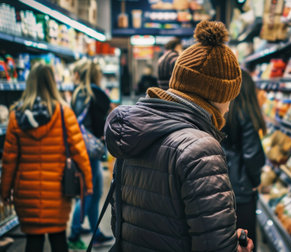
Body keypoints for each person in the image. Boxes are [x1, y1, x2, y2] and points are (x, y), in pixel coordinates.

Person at [104, 21, 254, 251]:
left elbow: (120, 225)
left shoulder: (134, 132)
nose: (229, 108)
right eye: (229, 98)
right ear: (216, 95)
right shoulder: (200, 148)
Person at [1, 63, 93, 252]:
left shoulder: (15, 115)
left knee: (33, 242)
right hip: (58, 191)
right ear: (52, 82)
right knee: (59, 240)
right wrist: (88, 184)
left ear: (30, 83)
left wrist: (4, 192)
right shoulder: (63, 113)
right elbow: (79, 152)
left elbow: (9, 160)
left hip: (25, 193)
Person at [68, 60, 112, 249]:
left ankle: (96, 232)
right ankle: (75, 231)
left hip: (79, 146)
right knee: (89, 192)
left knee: (94, 192)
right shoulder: (97, 94)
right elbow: (103, 120)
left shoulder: (78, 93)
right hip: (92, 149)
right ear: (96, 75)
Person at [222, 69, 266, 251]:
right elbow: (252, 156)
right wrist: (256, 181)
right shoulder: (246, 115)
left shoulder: (223, 113)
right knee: (245, 242)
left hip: (224, 186)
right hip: (242, 190)